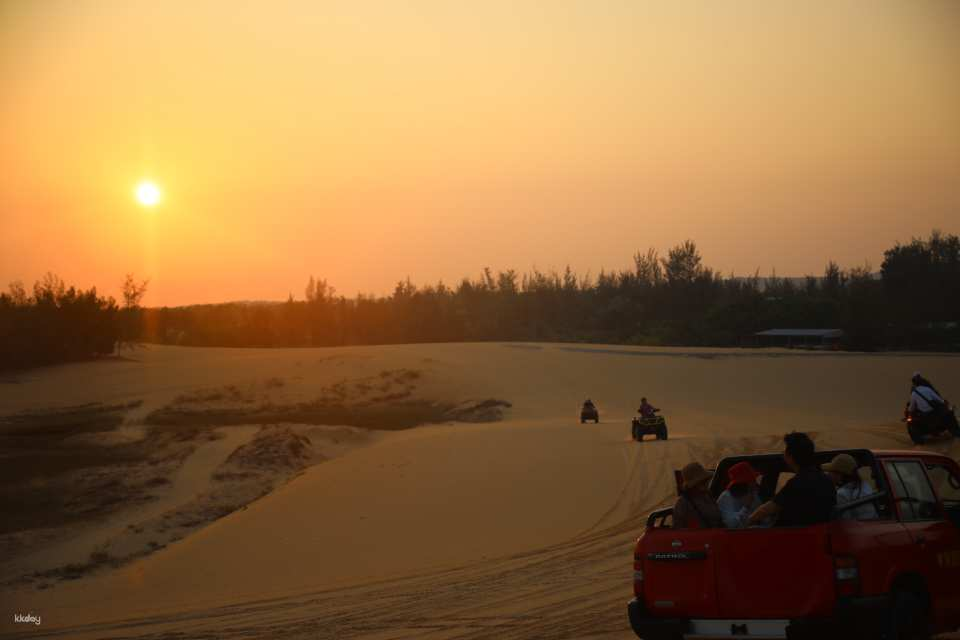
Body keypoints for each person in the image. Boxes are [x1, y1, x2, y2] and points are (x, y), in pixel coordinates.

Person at [747, 432, 836, 527]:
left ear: (790, 457)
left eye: (784, 452)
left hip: (792, 535)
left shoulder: (797, 483)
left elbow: (768, 509)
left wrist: (749, 520)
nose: (783, 455)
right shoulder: (826, 480)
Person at [822, 453, 878, 520]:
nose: (828, 474)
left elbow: (845, 521)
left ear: (839, 474)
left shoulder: (841, 494)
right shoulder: (865, 485)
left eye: (831, 472)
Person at [673, 462, 724, 529]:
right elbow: (679, 530)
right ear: (693, 485)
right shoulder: (682, 504)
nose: (706, 484)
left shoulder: (708, 497)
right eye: (702, 482)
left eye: (705, 481)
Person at [717, 461, 765, 528]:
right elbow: (731, 525)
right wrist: (746, 507)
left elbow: (763, 516)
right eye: (752, 479)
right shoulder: (726, 498)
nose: (755, 482)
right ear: (743, 484)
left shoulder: (753, 493)